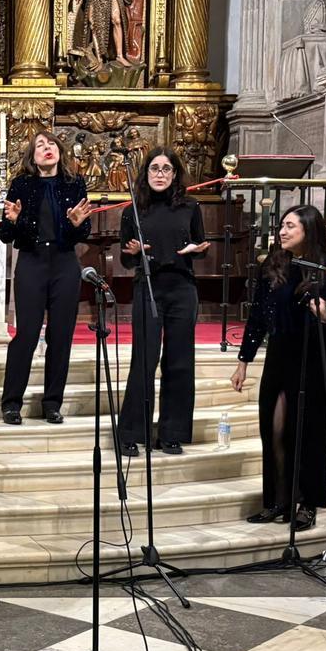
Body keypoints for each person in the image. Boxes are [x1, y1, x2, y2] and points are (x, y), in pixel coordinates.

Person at [231, 205, 326, 532]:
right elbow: (258, 318)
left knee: (310, 431)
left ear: (310, 230)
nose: (282, 232)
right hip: (281, 353)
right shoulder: (275, 265)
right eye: (281, 226)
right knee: (273, 429)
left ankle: (308, 503)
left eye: (290, 226)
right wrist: (243, 361)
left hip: (316, 355)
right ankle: (278, 499)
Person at [117, 147, 209, 456]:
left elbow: (202, 245)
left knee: (179, 360)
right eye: (154, 168)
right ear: (145, 174)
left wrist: (196, 249)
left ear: (175, 174)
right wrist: (131, 253)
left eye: (165, 169)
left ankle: (171, 432)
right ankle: (131, 432)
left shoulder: (190, 207)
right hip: (149, 286)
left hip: (182, 288)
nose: (159, 174)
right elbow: (126, 260)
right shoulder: (133, 211)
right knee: (144, 358)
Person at [0, 132, 93, 425]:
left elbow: (82, 231)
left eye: (51, 143)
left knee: (60, 336)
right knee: (26, 334)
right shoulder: (22, 185)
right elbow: (5, 235)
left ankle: (52, 403)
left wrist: (77, 225)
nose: (46, 148)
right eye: (40, 145)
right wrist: (15, 220)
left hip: (64, 263)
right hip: (32, 262)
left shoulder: (74, 183)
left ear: (59, 151)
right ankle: (12, 403)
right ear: (32, 156)